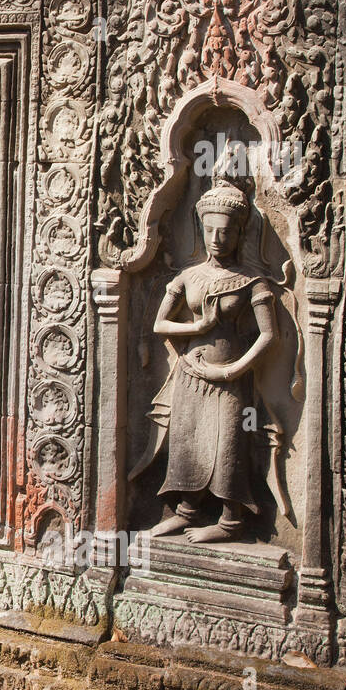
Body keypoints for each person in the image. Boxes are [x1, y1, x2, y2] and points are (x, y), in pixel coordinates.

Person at [130, 179, 278, 543]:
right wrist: (200, 325)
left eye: (225, 232)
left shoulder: (251, 281)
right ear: (200, 227)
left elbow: (269, 335)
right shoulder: (188, 277)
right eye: (210, 230)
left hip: (230, 377)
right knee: (187, 441)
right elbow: (159, 324)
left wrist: (231, 370)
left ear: (239, 232)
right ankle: (187, 511)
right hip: (191, 375)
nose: (217, 238)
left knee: (228, 442)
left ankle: (231, 521)